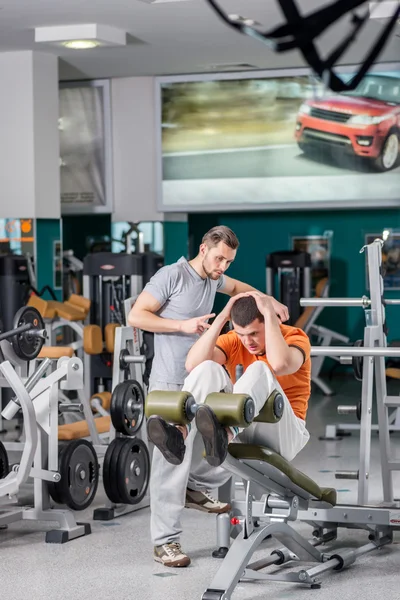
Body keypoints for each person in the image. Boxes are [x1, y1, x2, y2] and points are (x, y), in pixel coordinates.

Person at [128, 226, 288, 568]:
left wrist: (267, 301)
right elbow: (136, 316)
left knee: (215, 441)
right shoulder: (171, 275)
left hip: (202, 375)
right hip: (171, 382)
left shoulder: (213, 278)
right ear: (203, 248)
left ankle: (194, 488)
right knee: (170, 462)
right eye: (219, 258)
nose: (223, 267)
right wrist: (183, 327)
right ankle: (164, 543)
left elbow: (240, 290)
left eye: (228, 261)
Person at [147, 292, 311, 564]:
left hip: (287, 433)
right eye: (241, 334)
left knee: (260, 371)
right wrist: (223, 317)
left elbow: (281, 364)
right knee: (208, 368)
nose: (249, 342)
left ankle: (224, 434)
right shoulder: (238, 339)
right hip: (246, 423)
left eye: (254, 334)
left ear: (267, 323)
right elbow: (192, 364)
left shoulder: (295, 337)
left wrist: (269, 313)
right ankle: (180, 432)